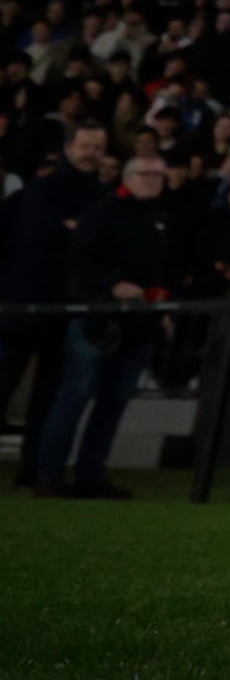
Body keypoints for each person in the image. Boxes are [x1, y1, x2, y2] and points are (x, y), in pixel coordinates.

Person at [31, 148, 174, 499]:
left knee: (114, 401)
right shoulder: (104, 211)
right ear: (127, 178)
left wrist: (164, 307)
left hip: (140, 322)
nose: (152, 180)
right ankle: (48, 476)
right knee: (75, 396)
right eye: (145, 174)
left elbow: (165, 269)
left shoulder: (164, 218)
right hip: (97, 318)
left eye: (158, 175)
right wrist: (111, 285)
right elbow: (78, 260)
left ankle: (90, 475)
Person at [4, 124, 112, 485]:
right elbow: (38, 235)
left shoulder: (101, 194)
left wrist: (73, 230)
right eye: (85, 145)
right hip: (27, 304)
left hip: (65, 307)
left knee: (48, 396)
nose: (91, 152)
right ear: (69, 147)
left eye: (97, 147)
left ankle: (32, 467)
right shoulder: (43, 189)